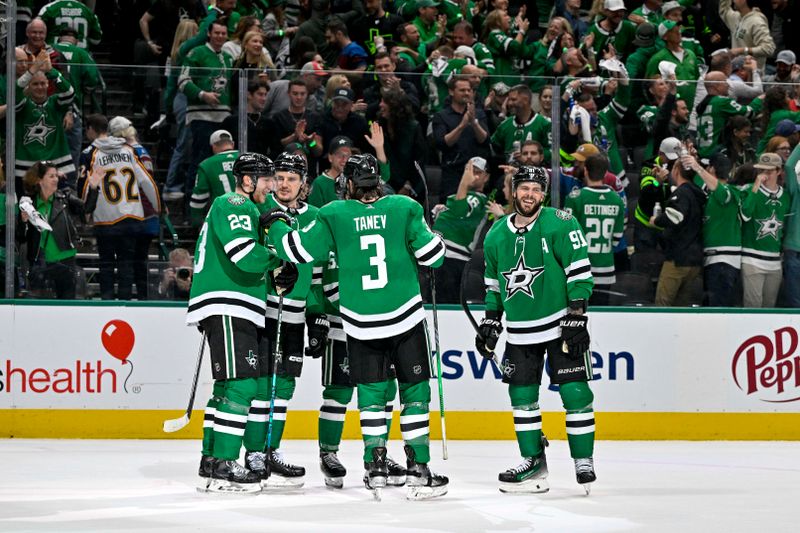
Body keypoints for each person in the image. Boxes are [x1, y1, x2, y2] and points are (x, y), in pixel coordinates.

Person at [260, 153, 449, 500]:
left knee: (372, 399)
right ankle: (419, 468)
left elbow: (296, 250)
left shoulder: (332, 214)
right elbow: (434, 257)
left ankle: (375, 466)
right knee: (414, 396)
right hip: (405, 316)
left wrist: (274, 221)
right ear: (377, 181)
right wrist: (433, 234)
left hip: (360, 323)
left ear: (348, 183)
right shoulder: (404, 207)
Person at [476, 165, 596, 494]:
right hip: (519, 331)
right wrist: (490, 320)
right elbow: (493, 286)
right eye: (524, 188)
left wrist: (577, 314)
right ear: (513, 191)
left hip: (559, 324)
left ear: (543, 194)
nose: (530, 194)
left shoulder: (561, 223)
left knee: (576, 393)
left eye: (536, 190)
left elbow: (580, 271)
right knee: (522, 397)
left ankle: (582, 461)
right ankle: (533, 462)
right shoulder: (496, 234)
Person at [186, 152, 298, 493]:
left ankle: (212, 459)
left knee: (226, 387)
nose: (273, 186)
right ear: (247, 181)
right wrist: (278, 260)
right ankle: (223, 461)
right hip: (228, 302)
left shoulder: (245, 208)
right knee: (243, 385)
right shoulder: (235, 202)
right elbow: (243, 254)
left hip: (231, 303)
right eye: (266, 179)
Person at [247, 152, 316, 488]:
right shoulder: (261, 211)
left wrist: (317, 314)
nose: (285, 184)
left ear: (304, 183)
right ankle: (254, 452)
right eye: (281, 177)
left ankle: (272, 449)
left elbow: (321, 271)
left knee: (284, 386)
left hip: (296, 315)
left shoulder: (317, 217)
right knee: (262, 384)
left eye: (293, 178)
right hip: (264, 311)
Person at [80, 114, 161, 301]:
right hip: (132, 216)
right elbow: (146, 181)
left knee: (106, 265)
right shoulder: (128, 150)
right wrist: (157, 206)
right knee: (127, 266)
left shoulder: (92, 154)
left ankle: (107, 305)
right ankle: (125, 305)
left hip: (105, 218)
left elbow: (86, 187)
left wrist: (85, 212)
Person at [19, 161, 99, 299]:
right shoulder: (28, 204)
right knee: (41, 310)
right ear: (39, 180)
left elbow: (86, 209)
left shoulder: (65, 198)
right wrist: (23, 221)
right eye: (51, 176)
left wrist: (93, 187)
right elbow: (20, 236)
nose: (56, 179)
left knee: (68, 307)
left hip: (65, 263)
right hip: (40, 264)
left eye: (56, 175)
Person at [563, 154, 625, 306]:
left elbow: (565, 236)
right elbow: (617, 237)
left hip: (579, 270)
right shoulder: (616, 199)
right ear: (605, 173)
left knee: (577, 314)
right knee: (601, 314)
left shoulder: (575, 197)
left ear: (585, 171)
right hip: (606, 269)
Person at [432, 158, 491, 304]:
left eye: (477, 172)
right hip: (438, 257)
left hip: (452, 260)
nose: (472, 175)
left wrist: (464, 182)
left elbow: (459, 210)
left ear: (486, 177)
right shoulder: (460, 196)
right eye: (468, 171)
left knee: (445, 308)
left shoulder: (478, 199)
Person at [652, 150, 706, 307]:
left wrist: (657, 220)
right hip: (694, 260)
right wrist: (660, 183)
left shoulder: (682, 193)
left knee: (663, 304)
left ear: (676, 171)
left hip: (678, 258)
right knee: (682, 307)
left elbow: (675, 216)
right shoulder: (698, 192)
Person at [740, 153, 791, 308]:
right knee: (753, 306)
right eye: (761, 170)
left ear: (779, 171)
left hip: (775, 261)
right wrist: (755, 186)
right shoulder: (749, 190)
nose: (764, 175)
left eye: (769, 171)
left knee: (769, 308)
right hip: (752, 259)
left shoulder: (786, 196)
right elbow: (745, 215)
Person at [432, 77, 490, 198]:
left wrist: (474, 122)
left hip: (476, 173)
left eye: (469, 90)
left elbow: (484, 139)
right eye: (462, 90)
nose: (467, 93)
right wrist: (462, 126)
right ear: (451, 92)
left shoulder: (478, 113)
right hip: (452, 173)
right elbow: (442, 143)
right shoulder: (441, 116)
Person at [190, 130, 239, 225]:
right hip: (249, 214)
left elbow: (200, 197)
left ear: (213, 147)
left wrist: (196, 220)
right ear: (232, 144)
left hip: (223, 218)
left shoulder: (207, 165)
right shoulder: (249, 159)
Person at [718, 0, 775, 73]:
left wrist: (742, 50)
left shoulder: (757, 22)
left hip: (752, 78)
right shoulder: (736, 17)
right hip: (736, 73)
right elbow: (724, 10)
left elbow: (769, 48)